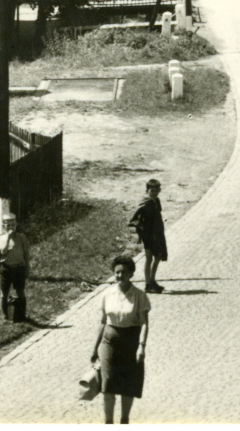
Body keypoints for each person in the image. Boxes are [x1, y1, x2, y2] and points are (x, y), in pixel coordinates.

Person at [91, 255, 150, 424]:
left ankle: (124, 420)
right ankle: (108, 423)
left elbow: (145, 324)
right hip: (109, 342)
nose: (120, 276)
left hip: (131, 341)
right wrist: (94, 349)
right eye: (117, 272)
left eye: (124, 272)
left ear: (131, 274)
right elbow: (102, 322)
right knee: (107, 383)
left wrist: (141, 346)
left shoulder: (140, 296)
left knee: (128, 383)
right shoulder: (107, 294)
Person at [128, 179, 167, 292]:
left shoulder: (156, 201)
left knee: (158, 256)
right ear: (147, 191)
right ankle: (147, 284)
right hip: (149, 235)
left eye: (156, 191)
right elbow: (134, 219)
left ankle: (152, 280)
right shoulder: (145, 204)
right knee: (149, 258)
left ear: (159, 190)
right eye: (152, 191)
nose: (154, 193)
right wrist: (142, 229)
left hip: (158, 233)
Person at [0, 213, 29, 322]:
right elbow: (2, 252)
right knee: (4, 293)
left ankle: (22, 315)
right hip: (6, 269)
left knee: (20, 291)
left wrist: (27, 267)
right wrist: (8, 238)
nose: (10, 227)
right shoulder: (1, 238)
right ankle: (5, 316)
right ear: (3, 226)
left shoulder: (21, 237)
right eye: (8, 225)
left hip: (19, 268)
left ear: (16, 224)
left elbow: (26, 253)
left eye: (12, 224)